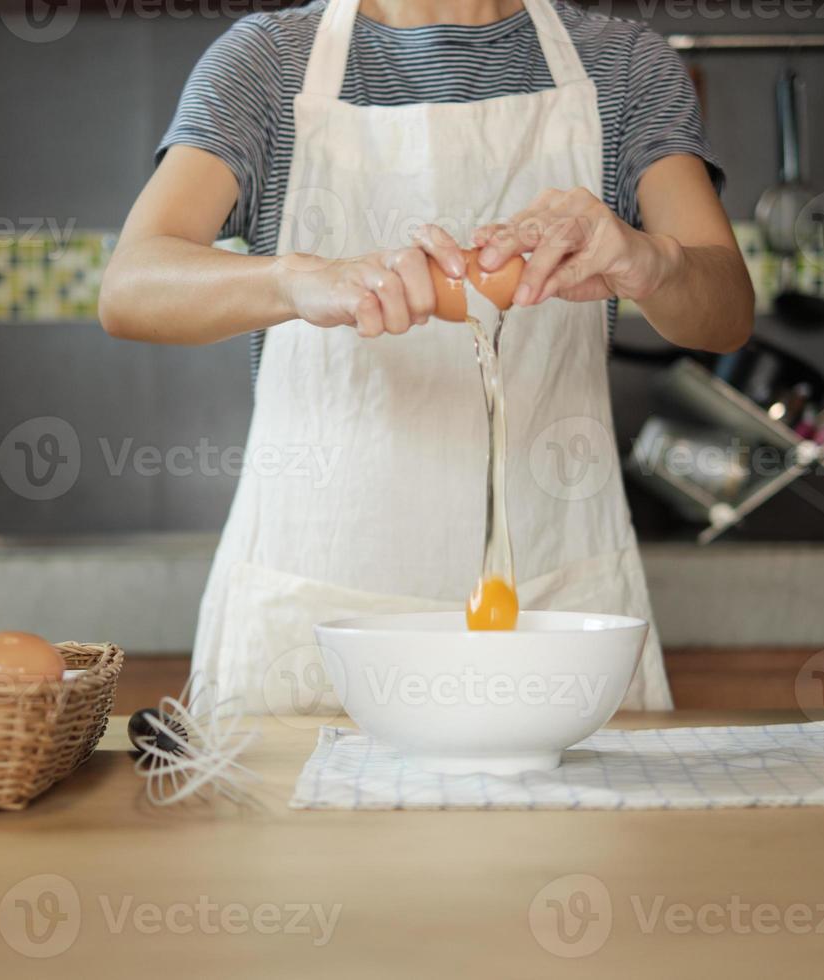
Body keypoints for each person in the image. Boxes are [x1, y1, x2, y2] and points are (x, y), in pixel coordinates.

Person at [99, 0, 753, 713]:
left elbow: (726, 316)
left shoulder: (623, 64)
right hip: (314, 622)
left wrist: (651, 261)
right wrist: (295, 278)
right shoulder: (269, 60)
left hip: (556, 614)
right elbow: (131, 287)